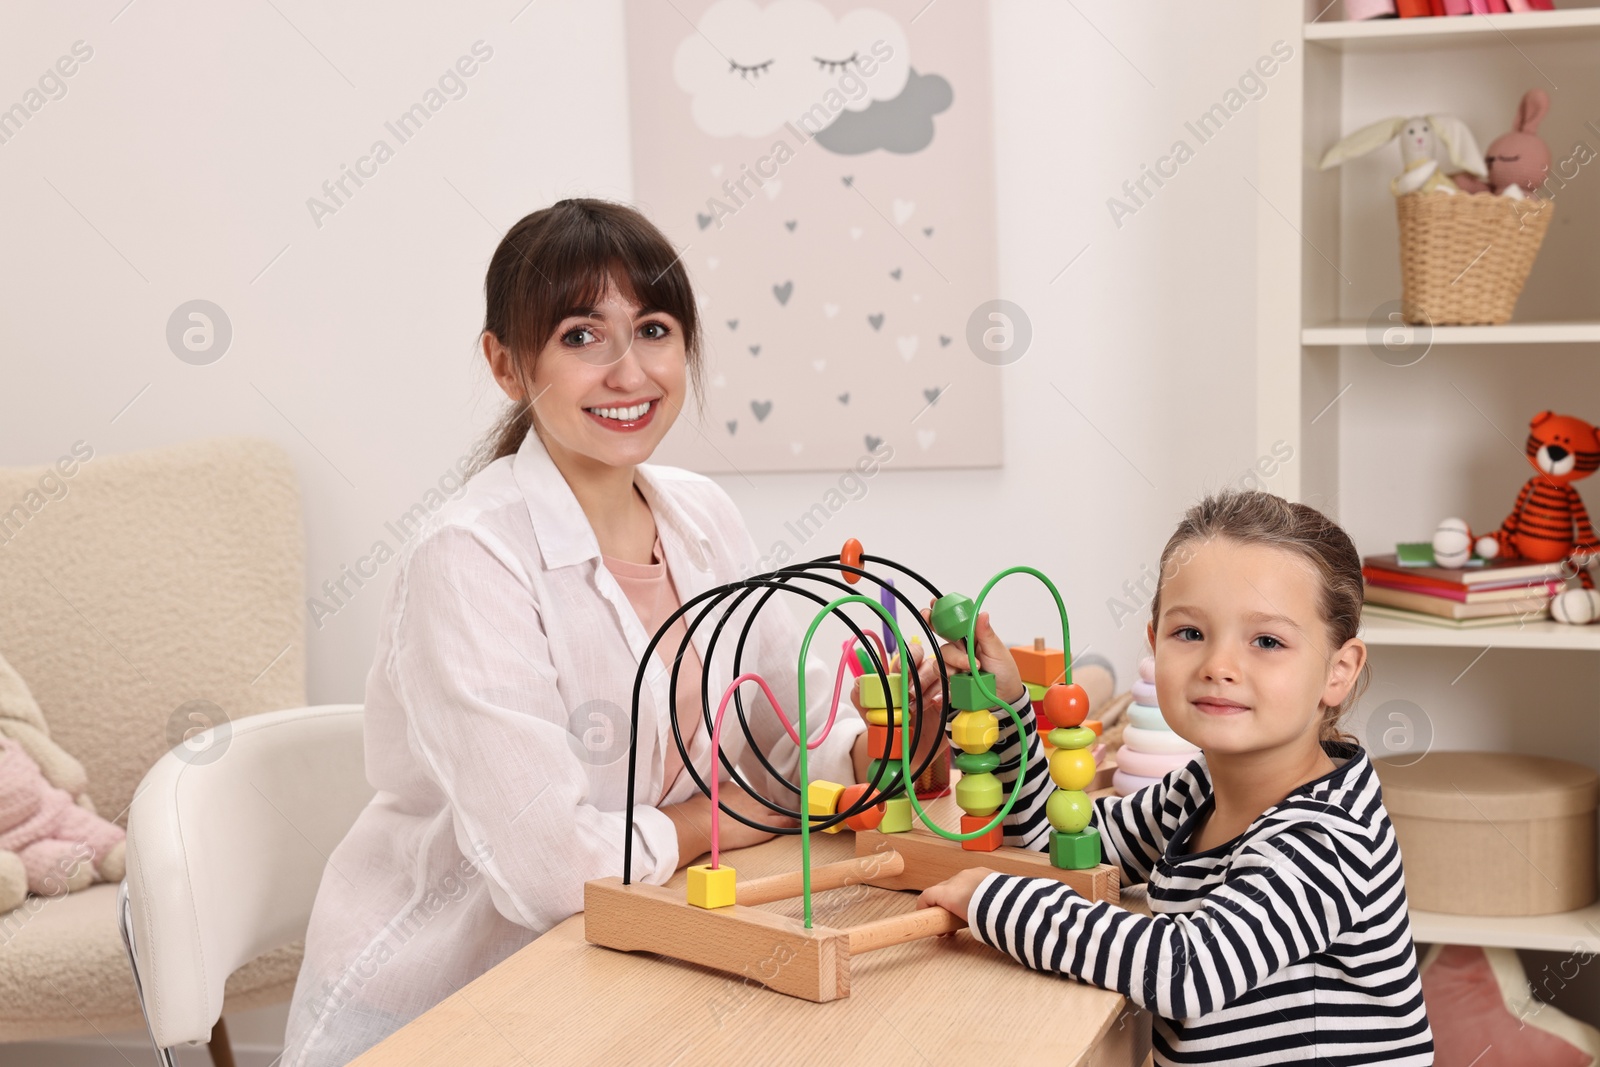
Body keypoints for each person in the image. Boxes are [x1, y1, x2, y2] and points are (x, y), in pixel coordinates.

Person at [280, 198, 942, 1066]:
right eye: (582, 337)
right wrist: (717, 817)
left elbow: (794, 737)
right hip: (449, 1000)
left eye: (656, 329)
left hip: (632, 965)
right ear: (507, 365)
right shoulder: (467, 557)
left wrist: (892, 741)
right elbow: (552, 870)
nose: (630, 373)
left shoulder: (702, 514)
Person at [918, 489, 1434, 1066]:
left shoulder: (1329, 838)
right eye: (1190, 633)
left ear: (1337, 671)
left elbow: (1187, 970)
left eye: (1267, 641)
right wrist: (1004, 705)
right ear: (1153, 642)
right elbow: (1057, 838)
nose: (1218, 666)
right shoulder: (1198, 790)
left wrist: (995, 900)